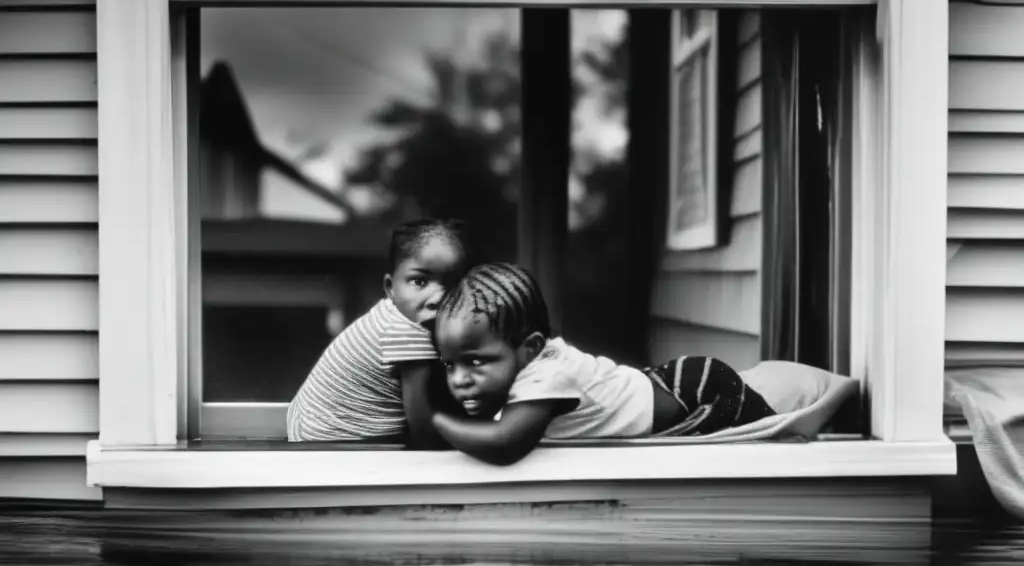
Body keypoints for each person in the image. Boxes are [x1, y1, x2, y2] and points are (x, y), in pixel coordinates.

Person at [431, 262, 776, 465]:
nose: (460, 379)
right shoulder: (527, 370)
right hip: (657, 383)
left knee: (774, 439)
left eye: (475, 362)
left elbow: (505, 443)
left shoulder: (548, 374)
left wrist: (436, 423)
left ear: (530, 348)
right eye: (450, 365)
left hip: (697, 391)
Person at [287, 218, 473, 445]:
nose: (438, 298)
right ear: (390, 287)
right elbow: (421, 426)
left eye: (452, 284)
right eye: (420, 281)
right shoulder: (408, 332)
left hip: (309, 425)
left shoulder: (393, 313)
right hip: (340, 443)